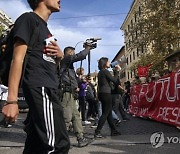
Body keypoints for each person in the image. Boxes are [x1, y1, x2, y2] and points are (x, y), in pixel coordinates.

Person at [2, 0, 70, 153]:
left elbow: (46, 63)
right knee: (57, 145)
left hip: (48, 88)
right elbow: (17, 58)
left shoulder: (45, 29)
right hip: (41, 88)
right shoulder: (28, 19)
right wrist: (12, 100)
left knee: (36, 146)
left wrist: (59, 57)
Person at [59, 46, 92, 147]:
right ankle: (60, 142)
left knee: (76, 117)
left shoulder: (69, 67)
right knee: (66, 117)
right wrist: (87, 48)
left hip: (72, 94)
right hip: (66, 94)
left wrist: (78, 83)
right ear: (69, 53)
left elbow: (71, 79)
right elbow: (80, 56)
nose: (74, 54)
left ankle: (81, 138)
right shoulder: (65, 60)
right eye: (73, 52)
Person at [94, 57, 121, 138]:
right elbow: (115, 81)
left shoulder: (100, 72)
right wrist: (117, 72)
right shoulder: (105, 71)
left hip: (102, 93)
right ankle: (97, 131)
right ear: (105, 63)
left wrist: (98, 95)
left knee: (109, 113)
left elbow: (100, 85)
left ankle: (114, 130)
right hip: (106, 93)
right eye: (108, 62)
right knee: (105, 113)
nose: (110, 63)